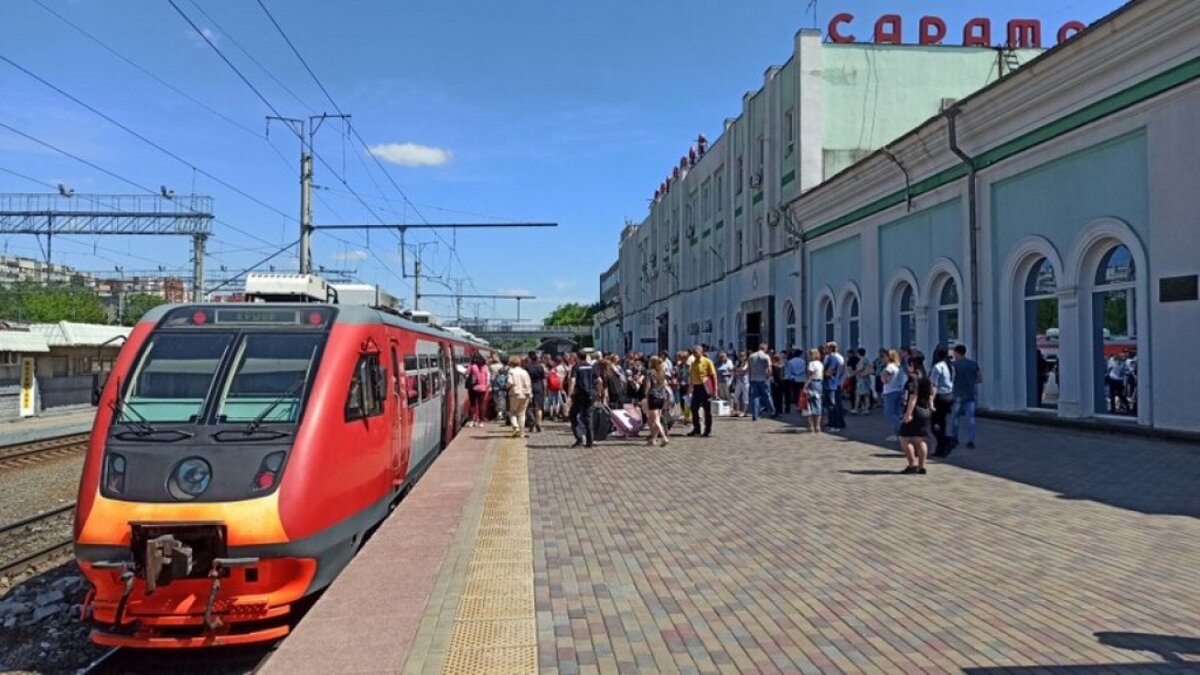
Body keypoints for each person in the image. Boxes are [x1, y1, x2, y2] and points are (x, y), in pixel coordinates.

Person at [898, 353, 934, 474]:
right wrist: (931, 405)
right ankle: (922, 466)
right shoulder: (926, 377)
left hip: (915, 410)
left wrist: (908, 413)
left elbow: (913, 396)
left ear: (912, 363)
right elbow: (932, 392)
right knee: (920, 439)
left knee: (904, 438)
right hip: (925, 410)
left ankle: (912, 465)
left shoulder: (913, 377)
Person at [949, 344, 981, 449]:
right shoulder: (973, 364)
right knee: (970, 418)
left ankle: (954, 438)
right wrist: (971, 382)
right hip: (970, 394)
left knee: (955, 417)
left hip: (958, 394)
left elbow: (950, 378)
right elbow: (979, 378)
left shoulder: (954, 365)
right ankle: (971, 440)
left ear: (956, 352)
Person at [568, 350, 598, 447]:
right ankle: (590, 441)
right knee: (588, 417)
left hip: (579, 395)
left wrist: (569, 394)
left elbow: (573, 380)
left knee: (573, 415)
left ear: (577, 357)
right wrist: (598, 392)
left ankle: (579, 437)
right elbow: (599, 380)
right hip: (591, 394)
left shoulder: (576, 367)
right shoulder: (592, 367)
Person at [929, 346, 955, 457]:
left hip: (939, 397)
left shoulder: (937, 367)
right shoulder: (949, 366)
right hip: (949, 395)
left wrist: (931, 399)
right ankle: (941, 447)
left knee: (934, 424)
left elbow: (934, 385)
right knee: (942, 422)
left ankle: (945, 441)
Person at [687, 345, 716, 437]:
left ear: (701, 352)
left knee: (707, 409)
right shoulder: (694, 363)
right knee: (693, 408)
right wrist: (690, 389)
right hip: (696, 387)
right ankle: (697, 429)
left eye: (696, 352)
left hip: (705, 387)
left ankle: (707, 430)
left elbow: (713, 376)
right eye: (693, 353)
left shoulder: (707, 361)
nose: (694, 354)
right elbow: (692, 377)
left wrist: (715, 390)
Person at [644, 355, 670, 446]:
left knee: (655, 420)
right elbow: (664, 384)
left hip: (653, 396)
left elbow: (648, 385)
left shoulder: (649, 372)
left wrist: (646, 394)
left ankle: (664, 437)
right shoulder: (661, 372)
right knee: (652, 419)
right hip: (661, 397)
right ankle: (653, 439)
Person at [882, 349, 906, 442]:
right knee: (896, 413)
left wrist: (882, 377)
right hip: (898, 390)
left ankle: (902, 430)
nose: (883, 358)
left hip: (890, 391)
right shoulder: (898, 366)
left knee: (890, 413)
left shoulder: (889, 367)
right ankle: (896, 434)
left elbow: (885, 380)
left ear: (889, 357)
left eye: (885, 356)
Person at [747, 343, 776, 420]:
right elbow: (769, 368)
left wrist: (750, 377)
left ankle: (755, 415)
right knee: (767, 396)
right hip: (763, 378)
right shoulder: (766, 356)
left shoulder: (752, 356)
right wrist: (769, 376)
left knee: (755, 397)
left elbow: (749, 368)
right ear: (765, 348)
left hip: (754, 378)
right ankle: (772, 412)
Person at [823, 342, 846, 431]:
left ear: (830, 348)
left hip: (832, 384)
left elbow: (830, 371)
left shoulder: (833, 358)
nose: (824, 349)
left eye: (826, 348)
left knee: (833, 405)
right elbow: (842, 370)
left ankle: (835, 424)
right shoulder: (837, 357)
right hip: (834, 383)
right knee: (834, 404)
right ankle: (835, 422)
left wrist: (821, 373)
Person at [506, 356, 531, 438]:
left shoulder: (511, 371)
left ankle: (515, 426)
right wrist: (529, 393)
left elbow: (510, 382)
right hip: (525, 394)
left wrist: (507, 386)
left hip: (514, 394)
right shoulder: (524, 372)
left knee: (512, 412)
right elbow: (528, 383)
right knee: (522, 414)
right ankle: (522, 433)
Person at [802, 348, 824, 434]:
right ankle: (818, 426)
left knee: (809, 405)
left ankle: (811, 426)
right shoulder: (820, 364)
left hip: (813, 383)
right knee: (818, 403)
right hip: (819, 383)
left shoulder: (811, 364)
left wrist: (805, 386)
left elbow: (810, 376)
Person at [466, 354, 490, 427]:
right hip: (482, 388)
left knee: (472, 404)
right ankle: (481, 422)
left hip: (473, 388)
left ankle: (471, 421)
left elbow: (467, 375)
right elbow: (488, 378)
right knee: (481, 404)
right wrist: (486, 386)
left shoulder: (472, 366)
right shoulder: (485, 367)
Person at [525, 351, 546, 433]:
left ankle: (532, 423)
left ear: (529, 358)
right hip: (539, 387)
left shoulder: (527, 367)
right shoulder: (541, 367)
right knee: (539, 407)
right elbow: (544, 380)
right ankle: (538, 423)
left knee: (529, 407)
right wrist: (545, 390)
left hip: (530, 387)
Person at [784, 349, 806, 416]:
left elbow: (789, 371)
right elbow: (803, 369)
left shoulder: (790, 361)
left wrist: (792, 375)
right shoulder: (803, 361)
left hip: (794, 379)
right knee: (801, 393)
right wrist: (799, 373)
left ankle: (796, 405)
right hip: (801, 379)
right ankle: (801, 407)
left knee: (795, 393)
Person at [854, 348, 874, 415]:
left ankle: (856, 409)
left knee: (858, 394)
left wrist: (855, 372)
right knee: (866, 395)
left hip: (861, 379)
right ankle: (866, 409)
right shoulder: (867, 360)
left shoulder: (862, 360)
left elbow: (860, 368)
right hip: (866, 379)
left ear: (858, 353)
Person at [489, 356, 508, 424]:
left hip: (494, 388)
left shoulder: (491, 366)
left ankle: (498, 413)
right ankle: (500, 414)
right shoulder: (501, 366)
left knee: (496, 401)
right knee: (502, 401)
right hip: (501, 390)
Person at [733, 350, 750, 417]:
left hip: (745, 382)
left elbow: (744, 371)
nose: (741, 357)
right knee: (735, 396)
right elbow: (734, 370)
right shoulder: (737, 363)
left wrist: (737, 370)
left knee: (745, 397)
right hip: (738, 381)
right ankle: (737, 411)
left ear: (746, 356)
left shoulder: (747, 363)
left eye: (743, 355)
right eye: (740, 355)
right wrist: (736, 370)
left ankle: (744, 412)